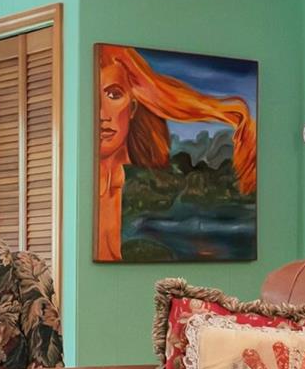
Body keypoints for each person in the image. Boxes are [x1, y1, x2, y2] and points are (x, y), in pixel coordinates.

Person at [95, 46, 255, 261]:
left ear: (132, 108)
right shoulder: (100, 179)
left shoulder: (118, 176)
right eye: (93, 98)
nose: (102, 113)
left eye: (114, 94)